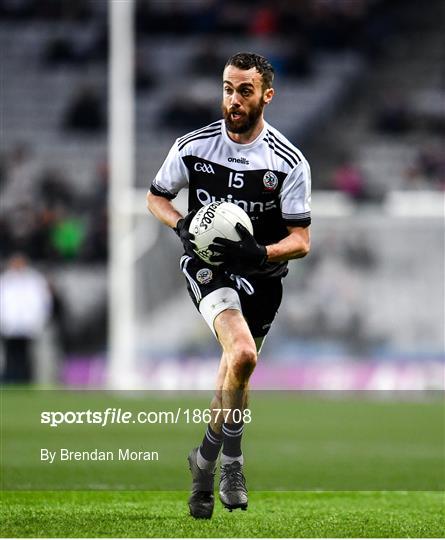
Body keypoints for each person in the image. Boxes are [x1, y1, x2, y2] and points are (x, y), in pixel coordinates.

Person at [146, 52, 311, 519]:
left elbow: (301, 240)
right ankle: (233, 464)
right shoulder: (193, 147)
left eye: (244, 90)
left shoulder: (288, 161)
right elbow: (156, 196)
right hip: (207, 266)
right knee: (241, 353)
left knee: (235, 372)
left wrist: (262, 254)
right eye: (227, 88)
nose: (233, 99)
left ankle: (203, 461)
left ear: (266, 96)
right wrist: (180, 226)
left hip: (262, 275)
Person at [0, 253, 52, 382]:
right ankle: (10, 379)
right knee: (10, 354)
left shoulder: (35, 280)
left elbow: (43, 302)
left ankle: (25, 379)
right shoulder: (5, 280)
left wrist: (39, 321)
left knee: (27, 355)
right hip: (9, 326)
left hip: (28, 325)